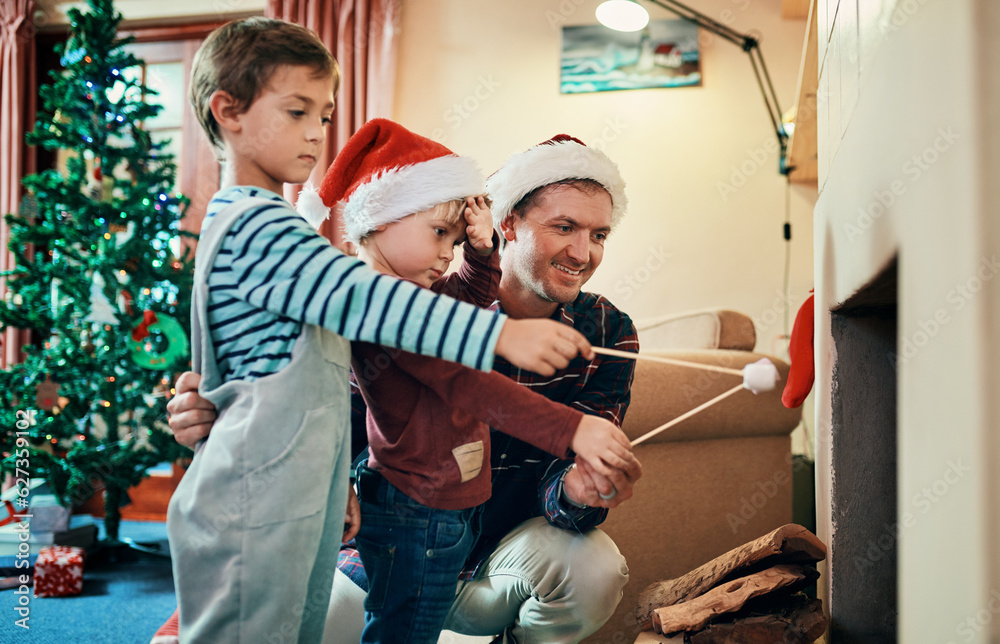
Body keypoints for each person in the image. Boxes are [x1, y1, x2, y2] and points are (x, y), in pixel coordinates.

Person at [167, 19, 597, 644]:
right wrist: (498, 339)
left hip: (303, 498)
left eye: (324, 115)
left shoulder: (270, 232)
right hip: (258, 502)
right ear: (228, 111)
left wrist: (334, 478)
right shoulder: (261, 229)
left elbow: (306, 382)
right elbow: (371, 299)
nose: (317, 134)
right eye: (297, 112)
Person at [302, 118, 637, 644]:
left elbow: (473, 283)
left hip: (492, 558)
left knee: (593, 567)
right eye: (564, 227)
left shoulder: (608, 332)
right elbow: (461, 385)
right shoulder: (403, 304)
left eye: (599, 235)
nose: (583, 253)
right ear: (508, 223)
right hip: (390, 540)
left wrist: (578, 488)